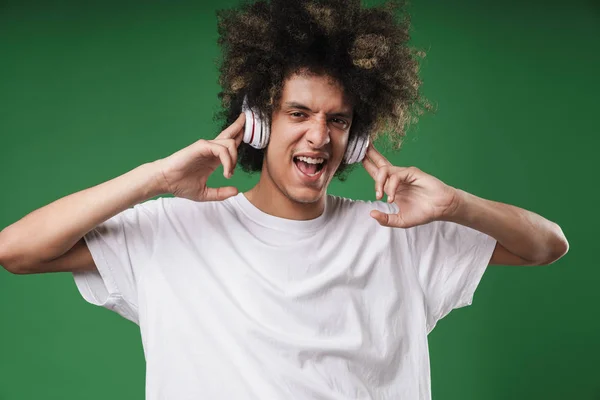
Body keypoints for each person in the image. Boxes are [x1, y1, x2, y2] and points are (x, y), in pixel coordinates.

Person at [0, 0, 568, 399]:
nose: (319, 137)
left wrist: (454, 206)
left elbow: (548, 245)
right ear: (257, 123)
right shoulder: (172, 228)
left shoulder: (396, 231)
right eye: (298, 114)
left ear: (358, 138)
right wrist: (153, 179)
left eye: (338, 120)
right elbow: (17, 250)